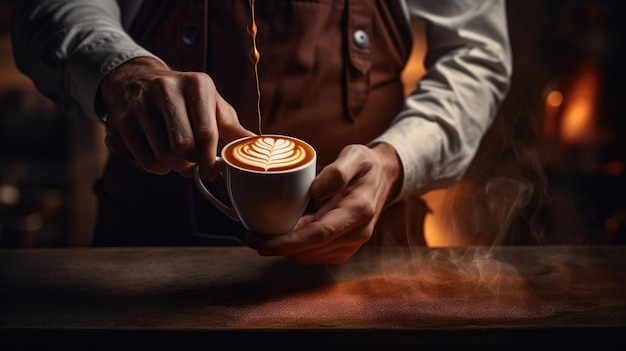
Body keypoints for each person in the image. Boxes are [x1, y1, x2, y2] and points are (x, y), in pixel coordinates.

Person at [11, 0, 512, 265]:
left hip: (369, 264)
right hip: (141, 271)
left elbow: (476, 54)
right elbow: (44, 7)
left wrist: (395, 160)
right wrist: (120, 71)